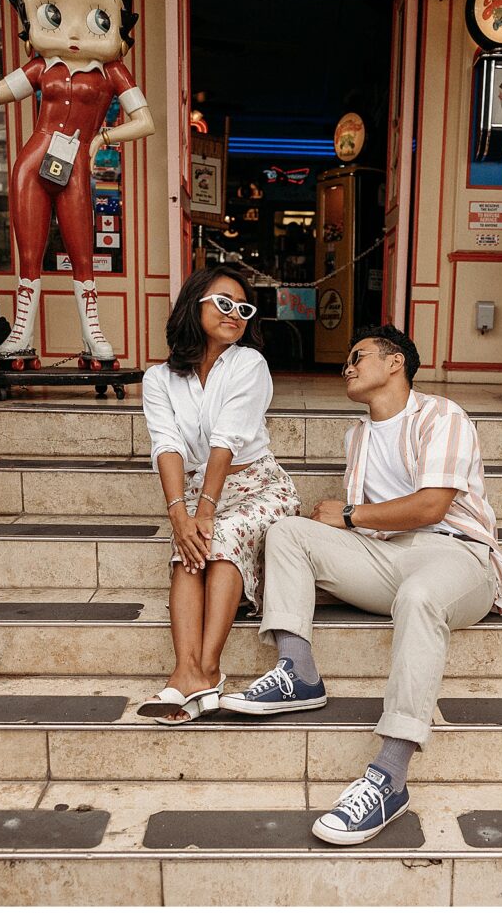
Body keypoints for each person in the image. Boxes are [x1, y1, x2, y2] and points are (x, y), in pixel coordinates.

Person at [220, 324, 502, 845]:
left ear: (395, 362)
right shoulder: (357, 435)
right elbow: (371, 529)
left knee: (419, 598)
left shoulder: (441, 415)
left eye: (359, 356)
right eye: (347, 360)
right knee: (287, 531)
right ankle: (298, 672)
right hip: (385, 557)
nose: (347, 367)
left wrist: (351, 515)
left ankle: (390, 776)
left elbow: (431, 505)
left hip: (459, 557)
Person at [0, 0, 155, 359]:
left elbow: (145, 121)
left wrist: (104, 137)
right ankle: (21, 333)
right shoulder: (44, 68)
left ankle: (93, 336)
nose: (75, 33)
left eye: (99, 17)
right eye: (54, 15)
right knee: (30, 253)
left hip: (75, 162)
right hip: (32, 162)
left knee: (83, 250)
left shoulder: (113, 72)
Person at [138, 266, 299, 724]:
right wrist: (180, 516)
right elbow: (166, 446)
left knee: (219, 536)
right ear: (195, 305)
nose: (235, 315)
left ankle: (208, 670)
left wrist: (204, 512)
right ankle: (183, 671)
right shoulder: (159, 379)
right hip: (197, 489)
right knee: (186, 548)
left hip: (260, 487)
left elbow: (226, 440)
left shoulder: (249, 364)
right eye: (223, 303)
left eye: (243, 308)